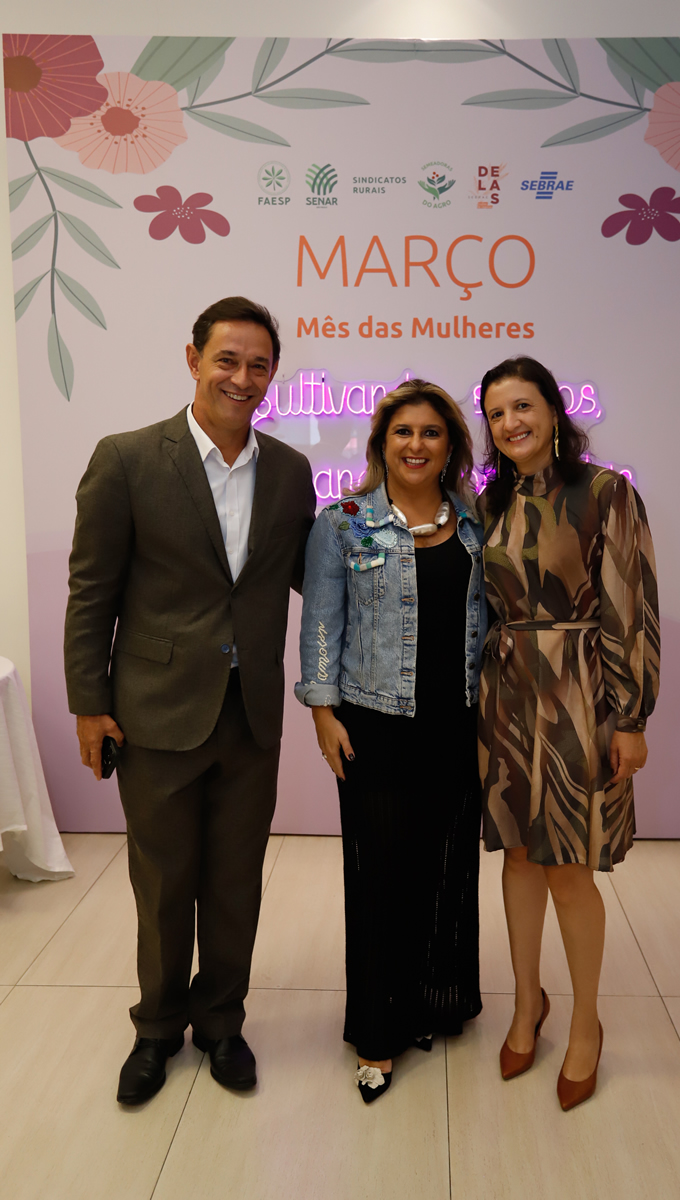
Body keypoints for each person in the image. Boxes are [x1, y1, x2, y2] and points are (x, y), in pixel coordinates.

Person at [64, 296, 315, 1105]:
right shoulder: (128, 459)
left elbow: (307, 576)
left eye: (258, 365)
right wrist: (89, 703)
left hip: (252, 715)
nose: (242, 377)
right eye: (227, 360)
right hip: (155, 711)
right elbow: (92, 591)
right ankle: (157, 1028)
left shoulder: (290, 471)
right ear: (193, 359)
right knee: (164, 884)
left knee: (237, 883)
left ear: (272, 374)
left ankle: (221, 1023)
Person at [296, 379, 487, 1103]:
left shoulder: (473, 523)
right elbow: (322, 623)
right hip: (374, 725)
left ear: (451, 446)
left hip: (457, 724)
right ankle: (377, 1033)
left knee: (441, 870)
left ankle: (428, 1003)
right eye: (403, 431)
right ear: (381, 444)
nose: (416, 444)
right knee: (380, 878)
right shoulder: (343, 523)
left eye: (431, 432)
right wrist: (323, 710)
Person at [477, 356, 659, 1110]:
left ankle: (586, 1022)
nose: (509, 423)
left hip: (579, 695)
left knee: (569, 867)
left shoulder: (605, 493)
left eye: (522, 406)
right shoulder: (490, 501)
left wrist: (631, 716)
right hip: (504, 698)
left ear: (553, 410)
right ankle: (528, 1001)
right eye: (496, 414)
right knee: (519, 857)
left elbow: (629, 604)